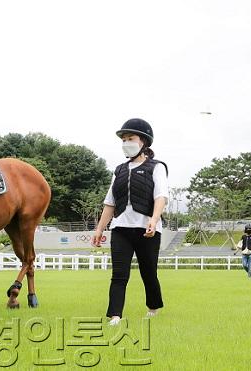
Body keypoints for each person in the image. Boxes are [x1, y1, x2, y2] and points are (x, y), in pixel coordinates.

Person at [92, 118, 169, 326]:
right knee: (119, 274)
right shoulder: (119, 170)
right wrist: (99, 229)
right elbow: (110, 203)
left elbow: (161, 196)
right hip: (121, 229)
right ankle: (115, 315)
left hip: (147, 229)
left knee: (148, 272)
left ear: (143, 141)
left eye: (130, 138)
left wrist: (153, 220)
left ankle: (153, 307)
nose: (126, 142)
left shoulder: (157, 167)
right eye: (123, 139)